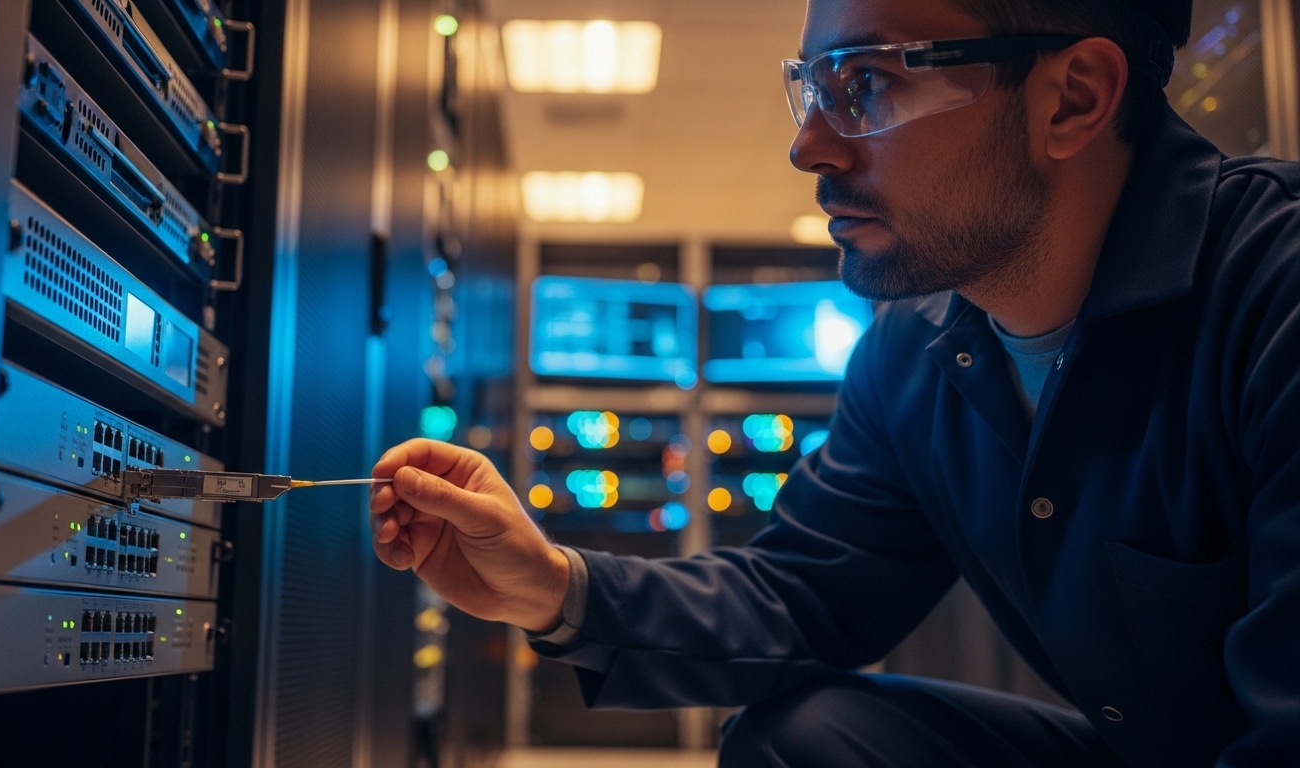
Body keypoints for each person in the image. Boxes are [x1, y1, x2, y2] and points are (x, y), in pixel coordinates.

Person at [368, 0, 1300, 764]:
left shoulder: (1275, 294)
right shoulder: (915, 345)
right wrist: (546, 585)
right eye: (810, 91)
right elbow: (801, 597)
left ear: (1073, 98)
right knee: (803, 744)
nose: (811, 147)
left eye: (868, 84)